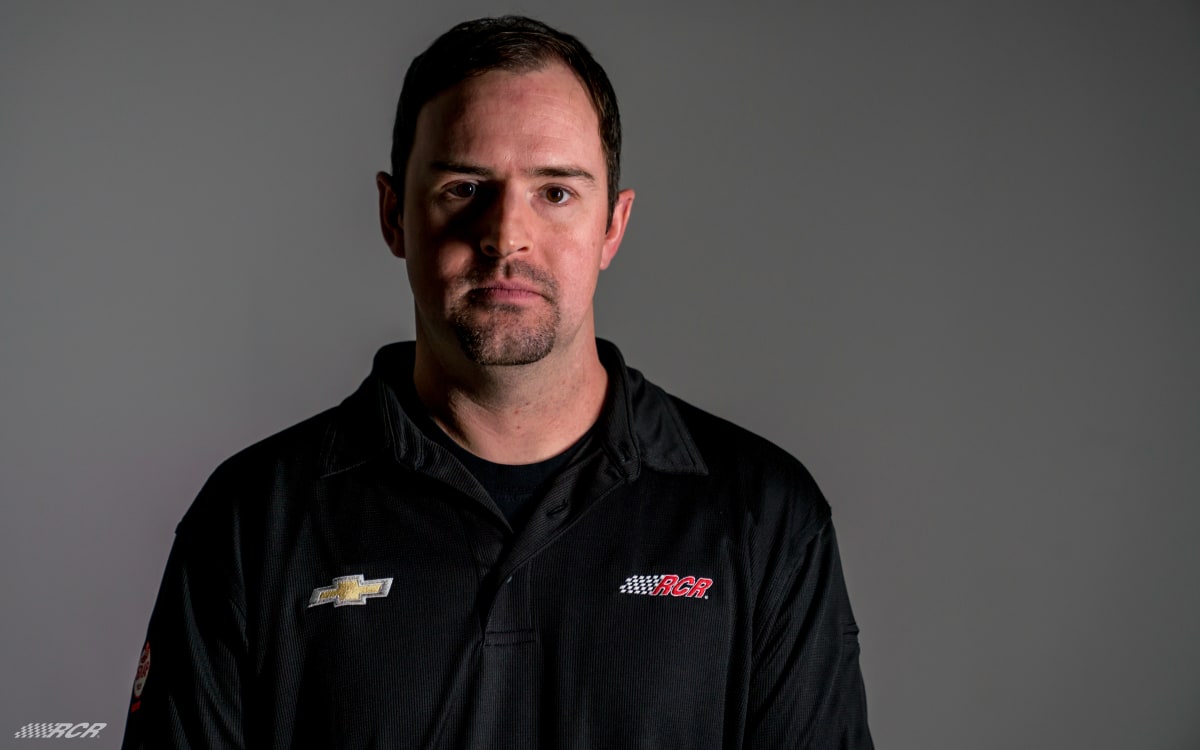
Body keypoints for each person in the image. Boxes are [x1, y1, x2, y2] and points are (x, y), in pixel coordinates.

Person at [122, 15, 873, 749]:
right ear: (394, 215)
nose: (507, 234)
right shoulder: (254, 521)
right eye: (464, 186)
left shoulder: (764, 520)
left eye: (556, 192)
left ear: (613, 225)